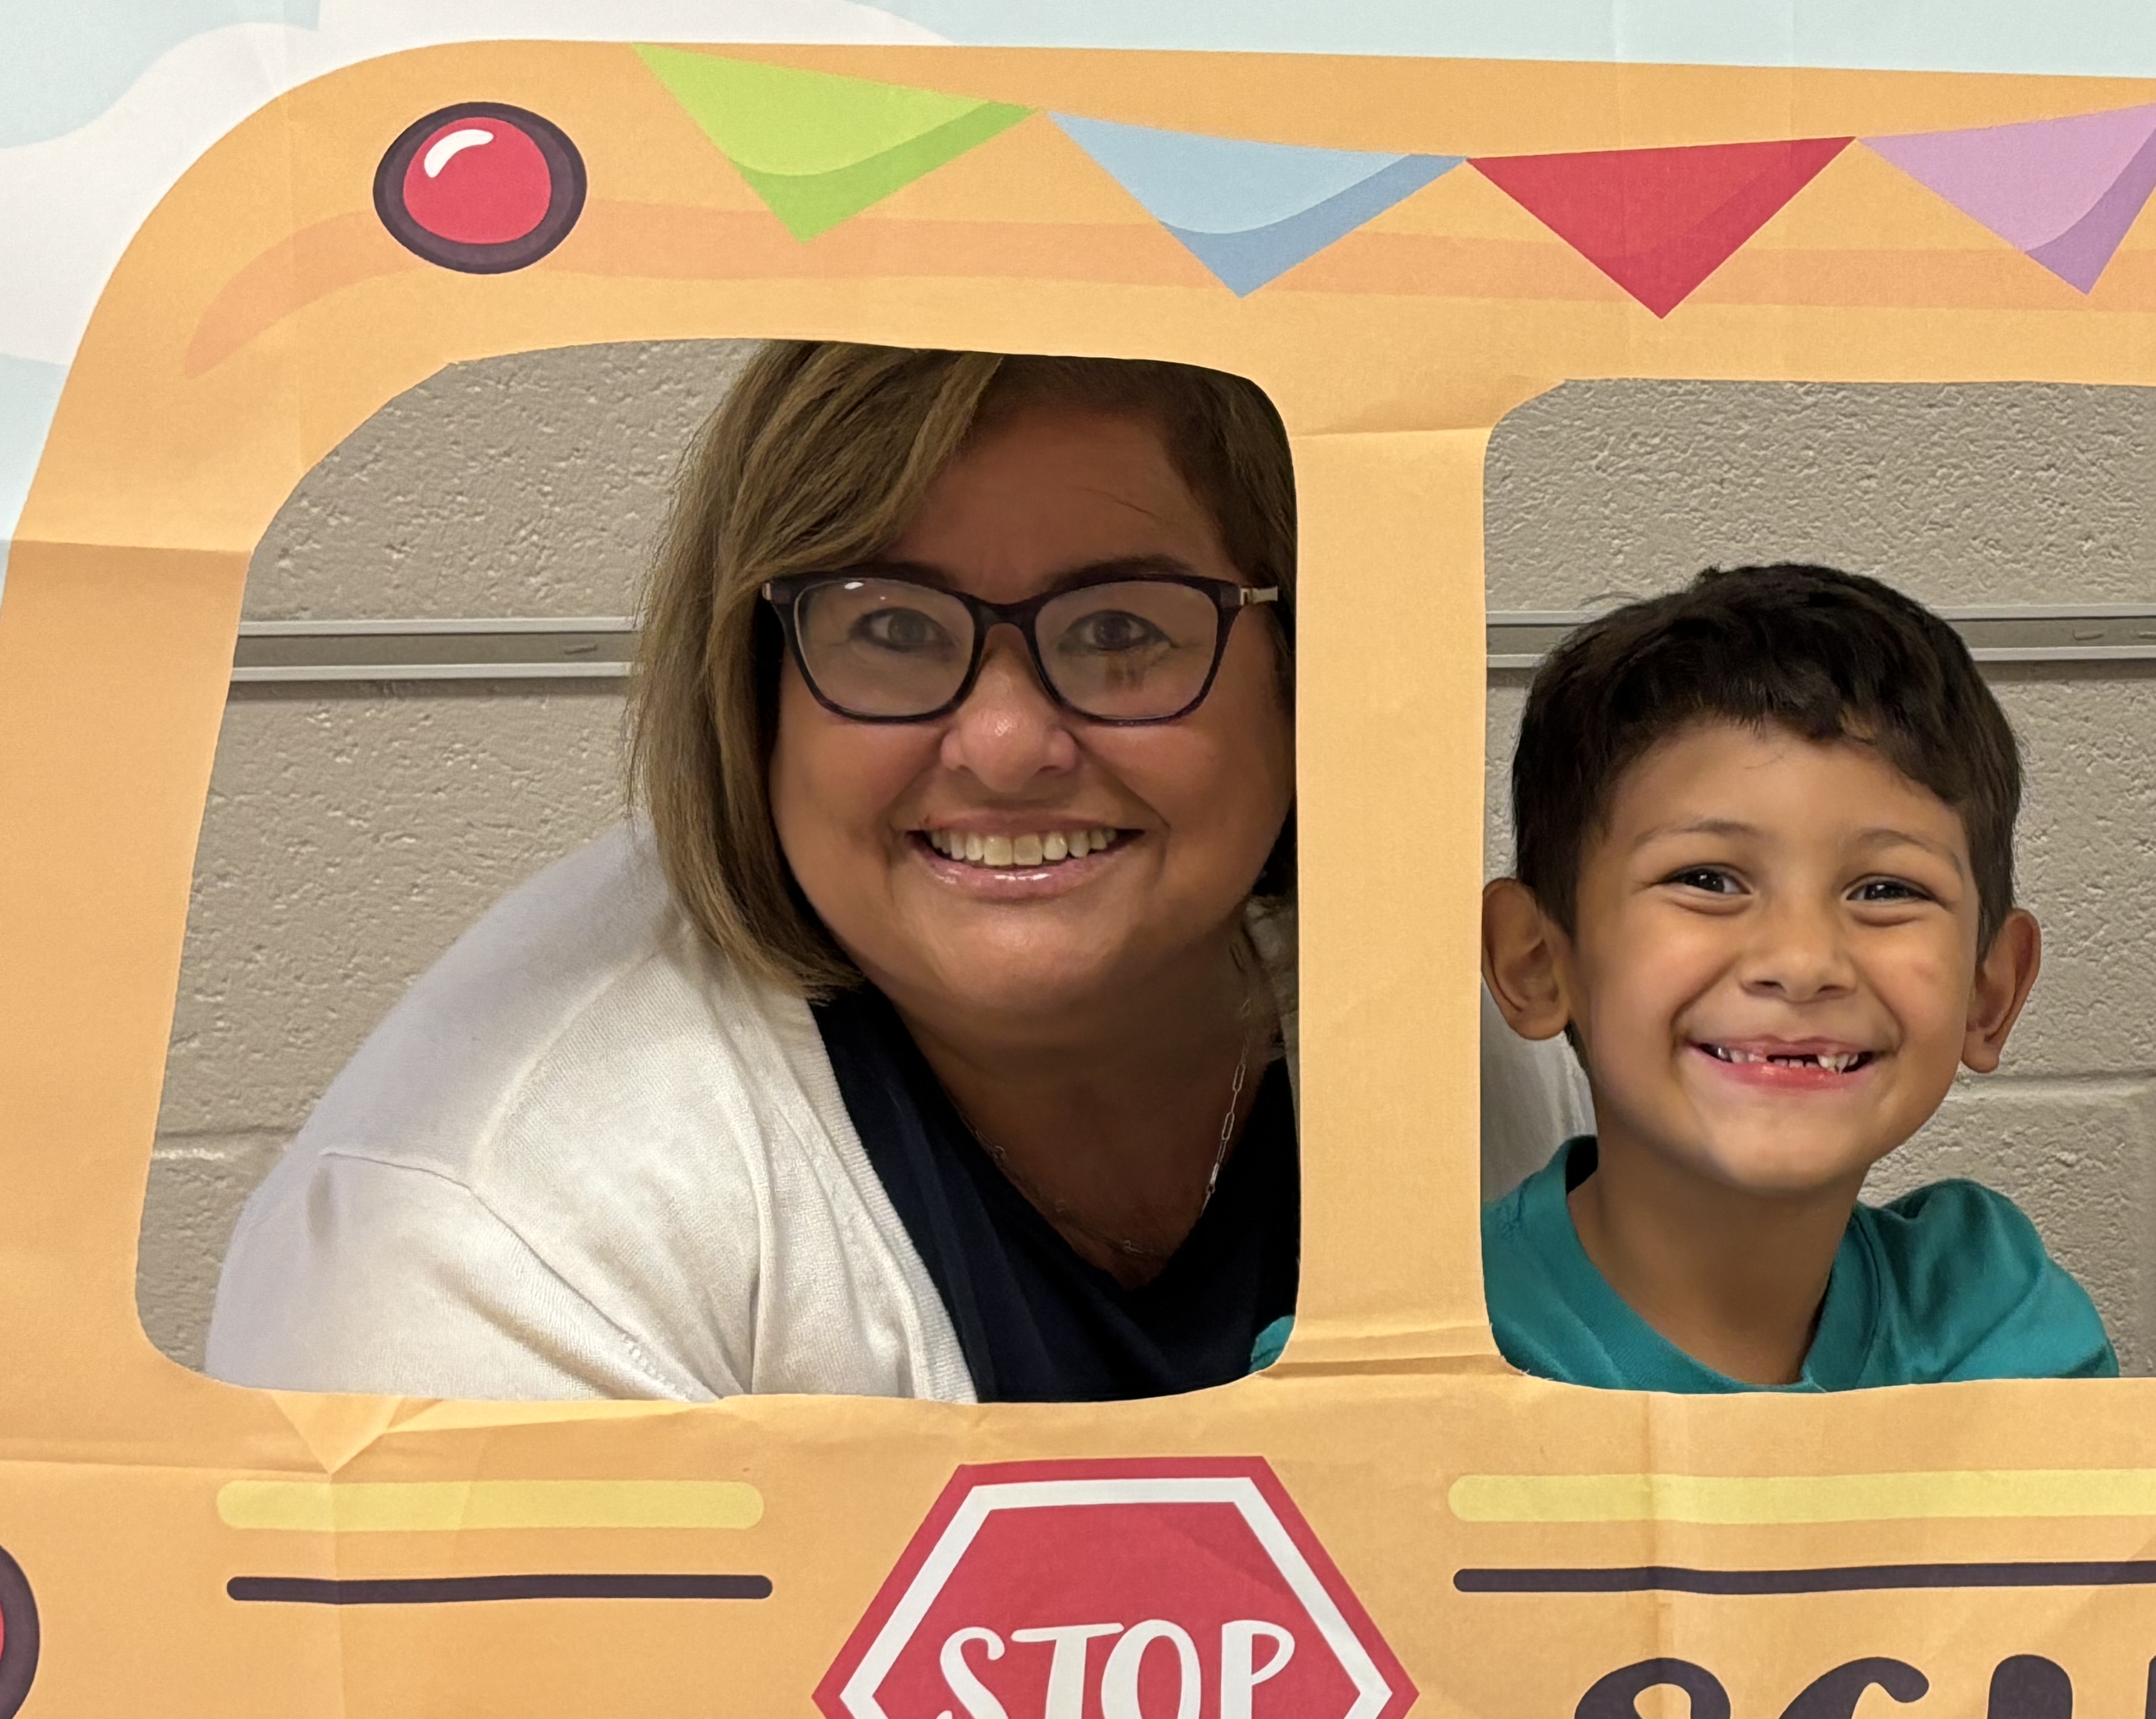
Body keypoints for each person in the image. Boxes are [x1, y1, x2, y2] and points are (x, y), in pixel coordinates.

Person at [207, 344, 1585, 1402]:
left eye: (1121, 631)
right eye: (893, 630)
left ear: (1306, 671)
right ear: (755, 686)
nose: (1005, 743)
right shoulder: (486, 1244)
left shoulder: (1464, 1030)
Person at [1465, 563, 2113, 1390]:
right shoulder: (1416, 1356)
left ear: (1989, 993)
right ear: (1535, 962)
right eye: (1706, 880)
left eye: (1887, 891)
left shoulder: (1992, 1315)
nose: (1803, 964)